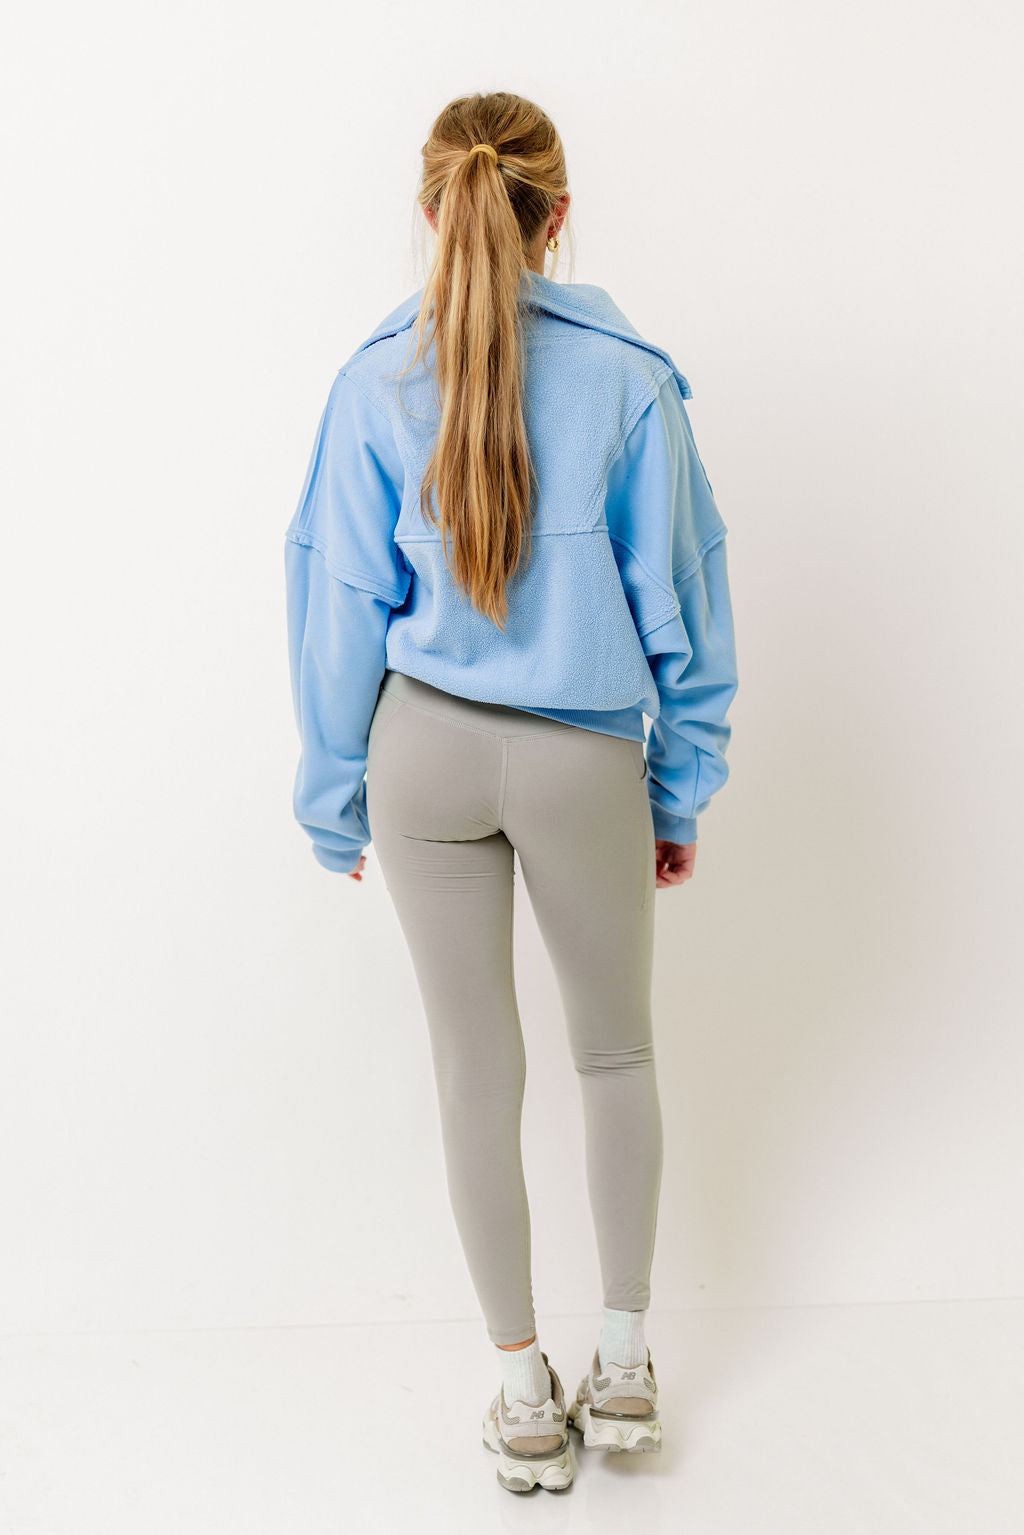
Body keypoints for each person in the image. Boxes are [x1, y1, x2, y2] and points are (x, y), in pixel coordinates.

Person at [284, 90, 739, 1494]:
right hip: (581, 755)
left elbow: (337, 607)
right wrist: (678, 789)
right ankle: (625, 1365)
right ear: (559, 217)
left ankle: (523, 1395)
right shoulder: (629, 381)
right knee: (616, 1057)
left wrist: (333, 799)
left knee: (475, 1071)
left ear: (432, 212)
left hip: (421, 753)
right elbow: (687, 602)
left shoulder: (374, 382)